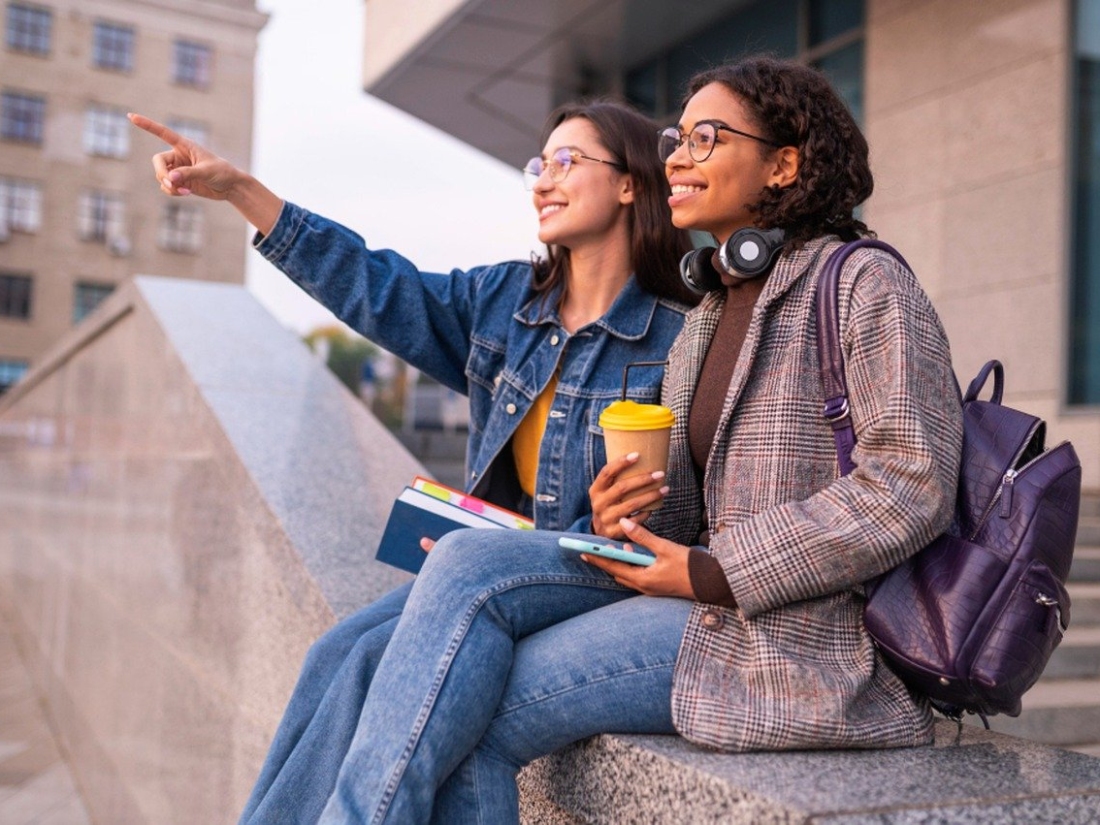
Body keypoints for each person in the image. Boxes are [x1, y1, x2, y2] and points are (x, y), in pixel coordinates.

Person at [303, 55, 965, 824]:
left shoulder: (865, 283)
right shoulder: (712, 310)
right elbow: (685, 508)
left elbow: (910, 485)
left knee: (461, 677)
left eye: (706, 138)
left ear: (783, 164)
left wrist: (718, 570)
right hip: (704, 605)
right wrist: (628, 509)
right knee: (458, 647)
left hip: (798, 640)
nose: (677, 157)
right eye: (675, 139)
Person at [131, 100, 695, 823]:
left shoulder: (677, 335)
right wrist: (243, 191)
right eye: (537, 164)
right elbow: (376, 286)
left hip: (602, 572)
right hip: (504, 564)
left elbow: (689, 502)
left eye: (566, 162)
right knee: (341, 654)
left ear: (628, 184)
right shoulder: (505, 302)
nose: (542, 181)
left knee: (439, 618)